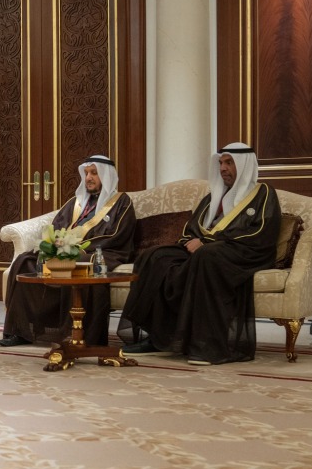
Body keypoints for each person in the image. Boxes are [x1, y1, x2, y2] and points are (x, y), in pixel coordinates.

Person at [119, 143, 280, 365]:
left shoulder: (263, 193)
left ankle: (207, 346)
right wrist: (194, 242)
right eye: (221, 163)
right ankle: (159, 338)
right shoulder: (214, 197)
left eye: (229, 162)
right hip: (209, 251)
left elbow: (261, 232)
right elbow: (191, 229)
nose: (223, 168)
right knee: (155, 256)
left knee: (207, 256)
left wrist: (206, 242)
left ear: (244, 165)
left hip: (245, 253)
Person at [0, 155, 136, 347]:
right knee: (25, 261)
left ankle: (75, 333)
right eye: (86, 173)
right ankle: (21, 331)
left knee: (79, 262)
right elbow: (57, 227)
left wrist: (77, 247)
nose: (88, 178)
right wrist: (55, 245)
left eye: (94, 173)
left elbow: (118, 235)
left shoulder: (121, 202)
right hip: (65, 251)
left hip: (103, 252)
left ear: (107, 175)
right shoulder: (76, 202)